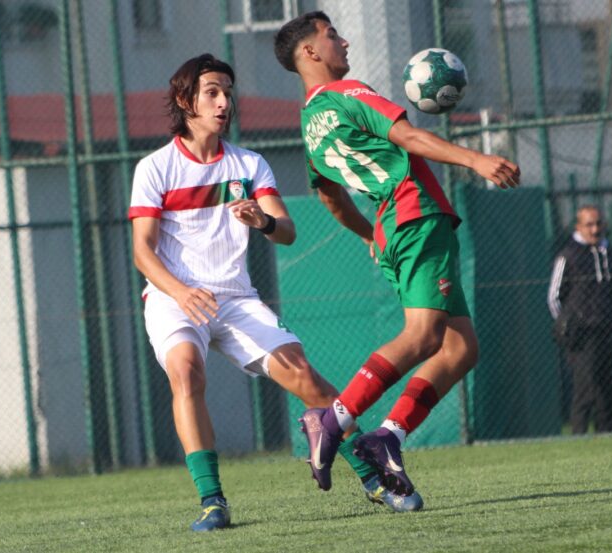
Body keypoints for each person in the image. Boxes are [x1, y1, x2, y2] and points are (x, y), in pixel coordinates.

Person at [129, 54, 419, 532]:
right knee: (186, 372)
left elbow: (285, 231)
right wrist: (180, 293)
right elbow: (143, 253)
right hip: (173, 297)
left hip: (236, 298)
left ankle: (375, 478)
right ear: (186, 101)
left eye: (227, 92)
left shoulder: (248, 163)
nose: (225, 102)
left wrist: (262, 221)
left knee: (307, 378)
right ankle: (212, 501)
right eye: (212, 93)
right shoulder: (155, 168)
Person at [273, 12, 520, 498]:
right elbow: (406, 136)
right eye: (330, 35)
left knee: (460, 347)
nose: (343, 41)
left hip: (394, 226)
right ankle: (333, 421)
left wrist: (371, 234)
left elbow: (330, 199)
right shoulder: (350, 93)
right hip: (416, 212)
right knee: (423, 335)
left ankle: (388, 437)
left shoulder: (309, 126)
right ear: (309, 52)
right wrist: (477, 160)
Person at [547, 206, 612, 434]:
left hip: (605, 329)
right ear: (578, 227)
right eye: (589, 224)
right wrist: (566, 323)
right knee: (585, 390)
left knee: (608, 390)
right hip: (583, 335)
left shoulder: (608, 252)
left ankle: (608, 435)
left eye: (599, 223)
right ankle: (578, 436)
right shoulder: (568, 255)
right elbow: (554, 297)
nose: (596, 229)